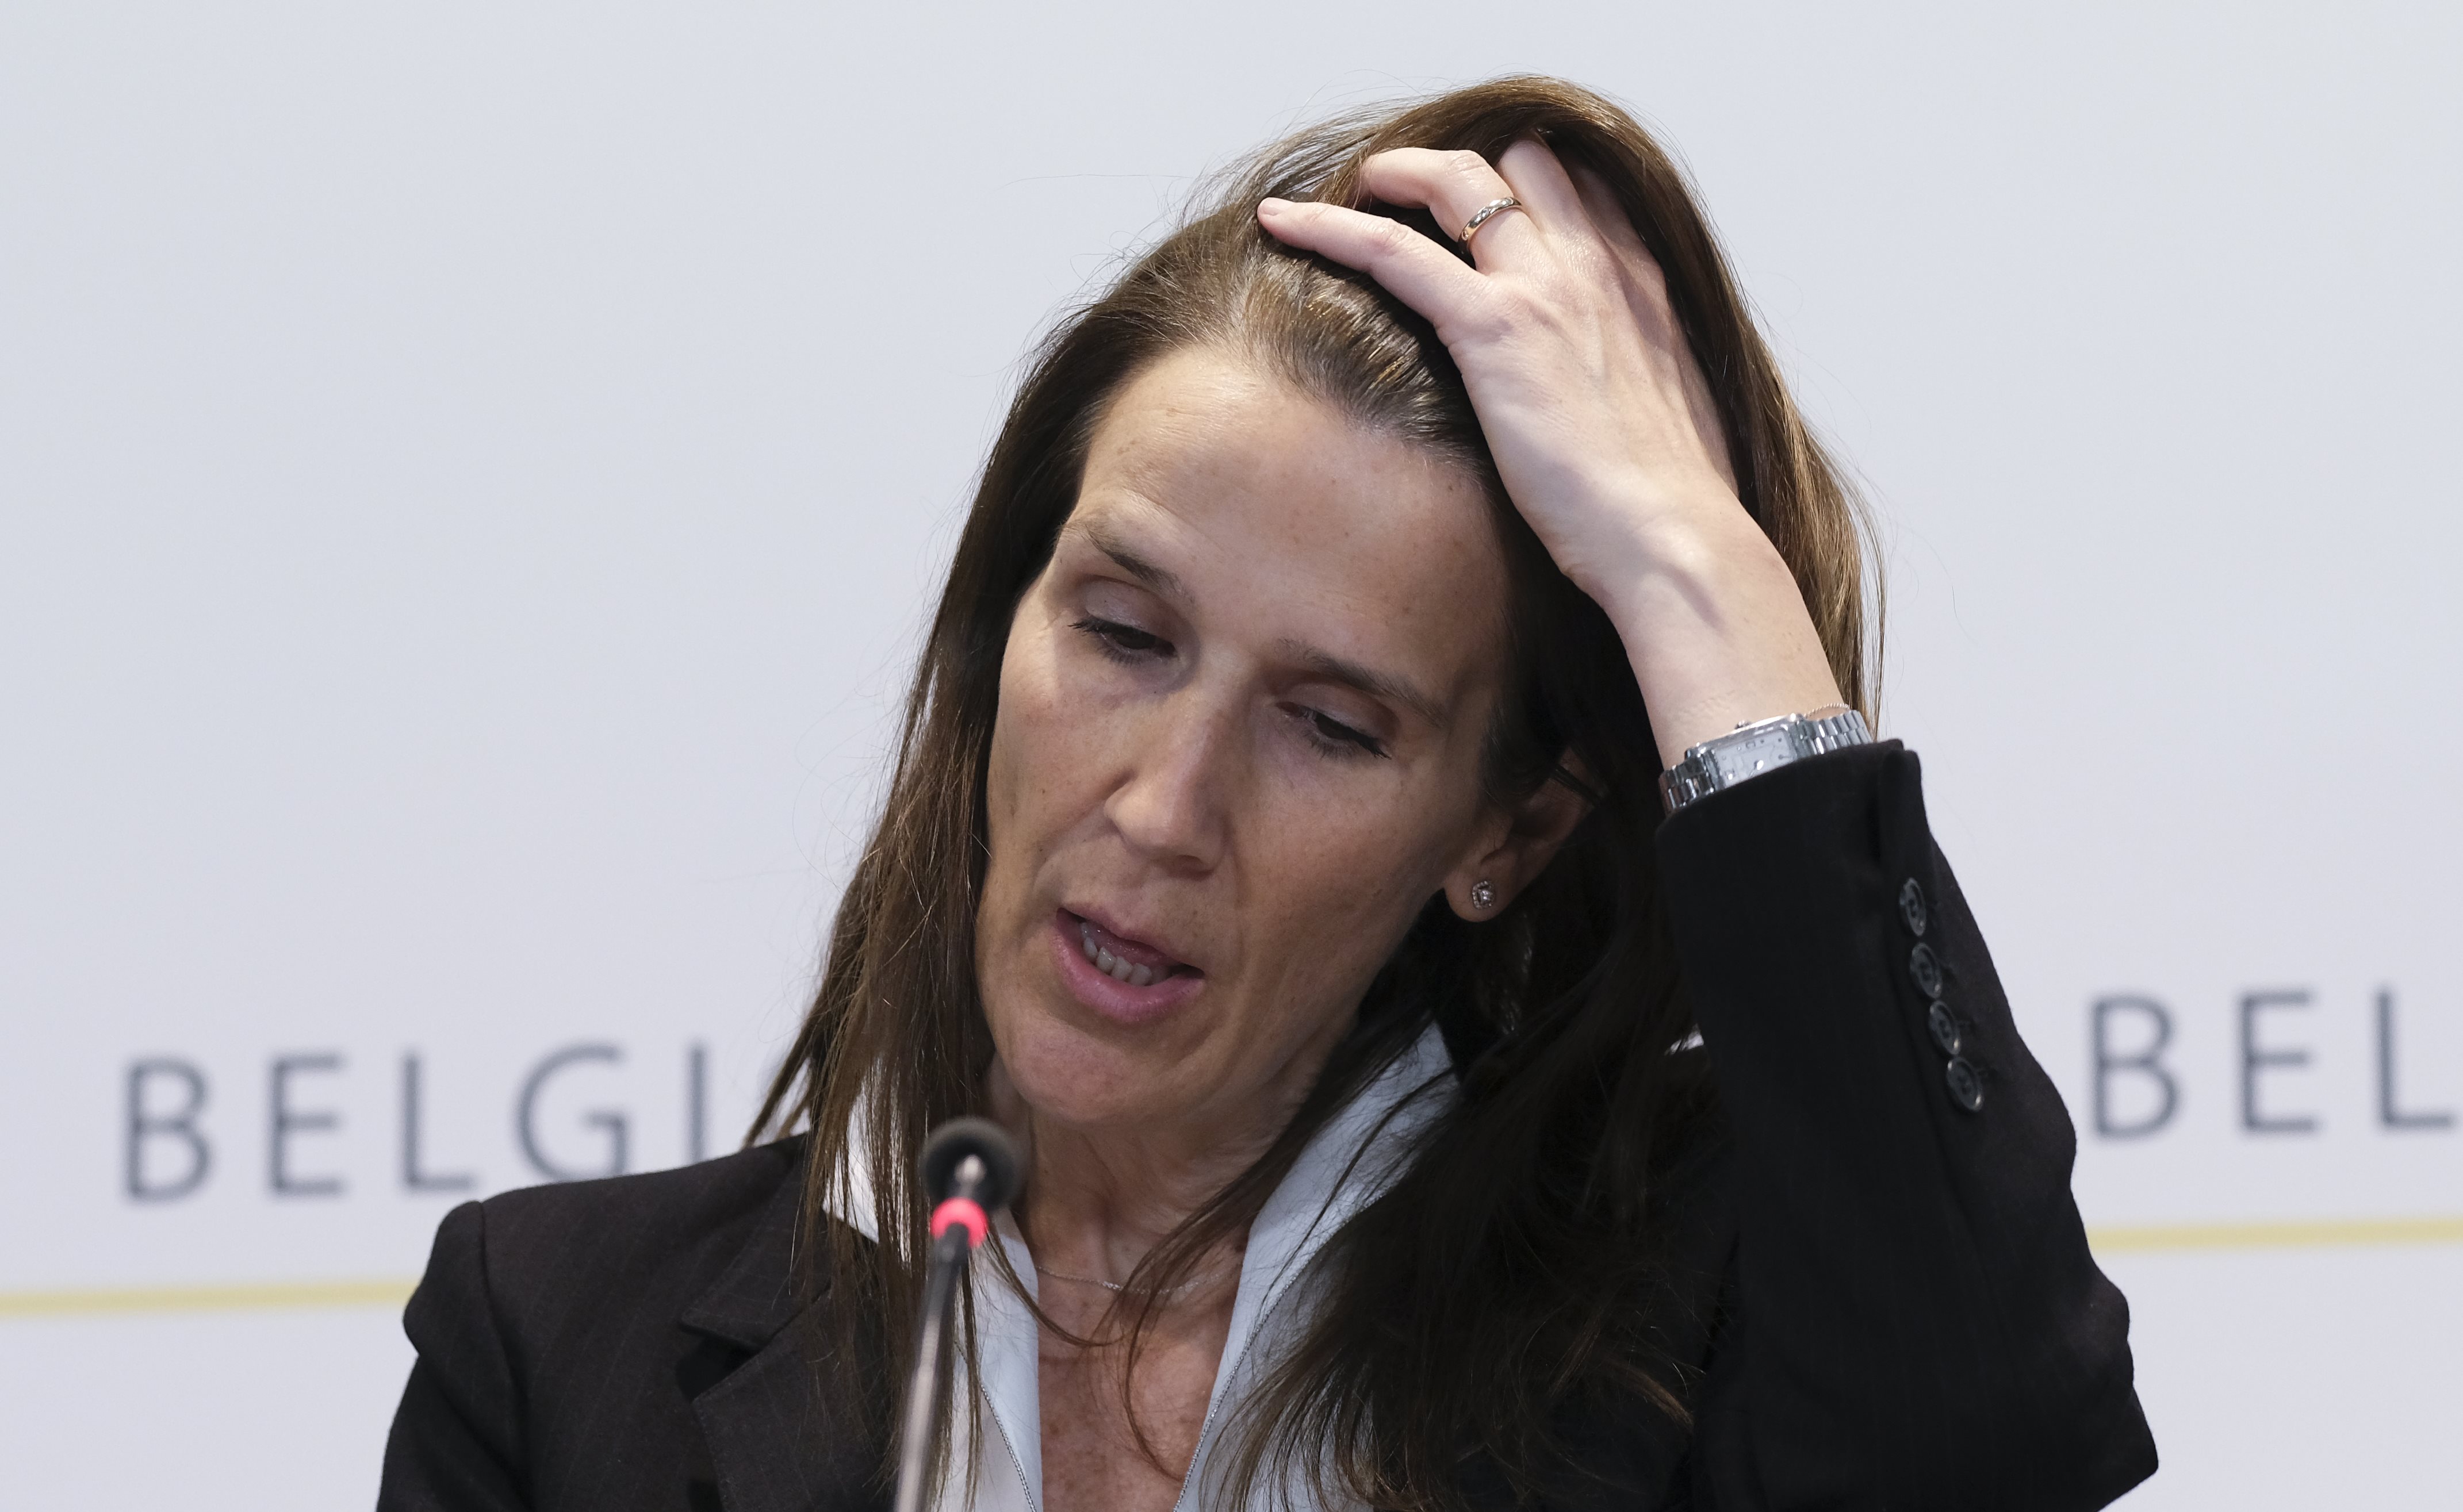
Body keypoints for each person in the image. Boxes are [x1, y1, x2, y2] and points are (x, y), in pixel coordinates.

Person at [378, 76, 2157, 1512]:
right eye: (1123, 634)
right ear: (1005, 625)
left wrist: (1692, 566)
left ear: (1506, 833)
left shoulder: (1692, 1301)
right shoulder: (552, 1339)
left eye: (1329, 726)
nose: (1163, 810)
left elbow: (1986, 1437)